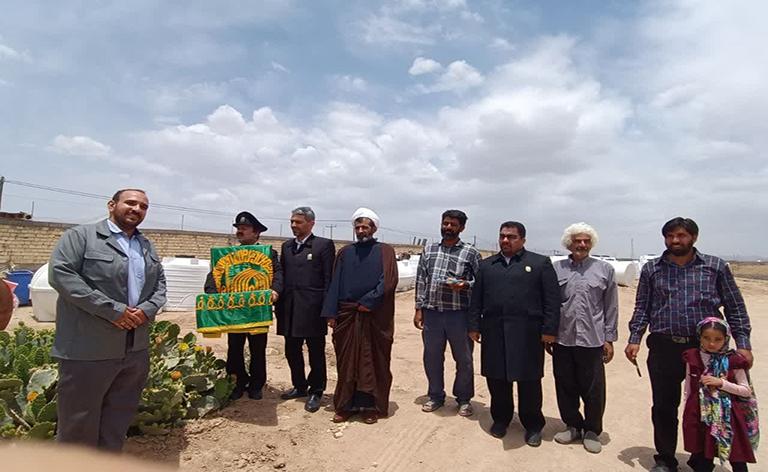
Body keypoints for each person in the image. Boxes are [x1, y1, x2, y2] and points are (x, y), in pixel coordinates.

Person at [625, 217, 753, 472]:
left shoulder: (715, 266)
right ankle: (665, 459)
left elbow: (735, 306)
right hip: (664, 347)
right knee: (664, 406)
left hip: (706, 349)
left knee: (706, 404)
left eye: (681, 235)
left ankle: (701, 458)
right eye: (670, 235)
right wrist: (634, 338)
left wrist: (743, 343)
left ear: (694, 237)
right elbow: (642, 307)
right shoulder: (652, 269)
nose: (675, 240)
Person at [49, 189, 167, 451]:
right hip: (88, 349)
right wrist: (114, 311)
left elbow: (160, 285)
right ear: (112, 205)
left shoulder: (146, 245)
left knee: (118, 419)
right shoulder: (81, 237)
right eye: (131, 203)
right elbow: (61, 276)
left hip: (135, 350)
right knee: (78, 421)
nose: (137, 209)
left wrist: (146, 310)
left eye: (144, 206)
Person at [468, 221, 559, 446]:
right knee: (497, 378)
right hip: (494, 331)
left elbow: (552, 300)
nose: (505, 240)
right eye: (502, 236)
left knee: (529, 381)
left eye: (511, 237)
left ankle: (533, 424)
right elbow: (476, 299)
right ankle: (501, 419)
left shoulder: (539, 264)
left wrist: (549, 330)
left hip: (528, 334)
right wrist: (474, 326)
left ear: (523, 240)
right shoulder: (487, 265)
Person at [321, 207, 398, 424]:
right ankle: (346, 406)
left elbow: (389, 281)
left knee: (373, 361)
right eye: (358, 227)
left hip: (374, 316)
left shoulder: (385, 251)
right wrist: (331, 313)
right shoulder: (345, 252)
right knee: (346, 363)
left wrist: (368, 302)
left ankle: (370, 406)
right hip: (347, 315)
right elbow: (335, 282)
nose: (361, 230)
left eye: (365, 227)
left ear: (374, 229)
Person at [551, 223, 618, 454]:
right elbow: (550, 304)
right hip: (563, 338)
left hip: (592, 339)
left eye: (586, 241)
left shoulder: (604, 269)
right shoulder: (556, 269)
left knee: (593, 389)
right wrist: (548, 333)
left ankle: (591, 430)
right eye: (577, 240)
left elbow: (611, 306)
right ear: (568, 243)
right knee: (565, 385)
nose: (581, 244)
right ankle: (572, 426)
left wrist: (609, 339)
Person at [204, 211, 283, 401]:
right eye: (238, 228)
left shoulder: (269, 253)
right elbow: (214, 275)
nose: (240, 231)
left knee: (258, 349)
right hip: (234, 311)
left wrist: (275, 290)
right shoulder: (227, 254)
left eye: (244, 228)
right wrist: (213, 293)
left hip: (257, 310)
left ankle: (256, 385)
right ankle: (237, 383)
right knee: (234, 348)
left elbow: (278, 274)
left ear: (256, 233)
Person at [414, 209, 481, 416]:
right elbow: (421, 279)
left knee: (464, 359)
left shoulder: (471, 252)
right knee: (432, 357)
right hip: (432, 313)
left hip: (459, 314)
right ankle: (435, 395)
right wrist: (419, 308)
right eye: (445, 223)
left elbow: (481, 283)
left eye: (453, 224)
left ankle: (464, 399)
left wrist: (465, 285)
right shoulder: (429, 249)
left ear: (462, 228)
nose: (448, 227)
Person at [276, 207, 335, 412]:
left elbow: (329, 279)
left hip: (313, 310)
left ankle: (316, 391)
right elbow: (282, 275)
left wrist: (329, 309)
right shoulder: (287, 247)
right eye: (292, 222)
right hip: (290, 308)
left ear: (311, 223)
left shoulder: (323, 246)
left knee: (316, 353)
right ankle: (299, 386)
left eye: (298, 222)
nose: (294, 225)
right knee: (291, 350)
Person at [682, 318, 758, 472]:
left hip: (728, 414)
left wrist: (721, 383)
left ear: (726, 339)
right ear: (699, 337)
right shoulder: (693, 356)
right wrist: (687, 409)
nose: (711, 343)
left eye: (718, 339)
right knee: (703, 451)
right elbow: (688, 386)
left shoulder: (733, 360)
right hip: (700, 412)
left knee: (736, 453)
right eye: (706, 338)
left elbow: (745, 390)